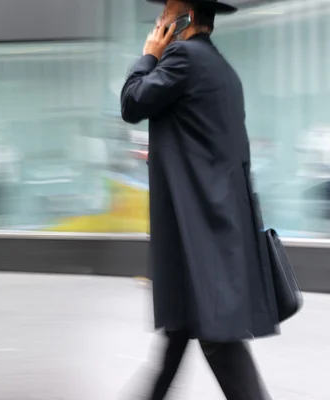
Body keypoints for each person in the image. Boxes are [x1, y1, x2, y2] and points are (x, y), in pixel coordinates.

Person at [120, 0, 280, 399]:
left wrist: (147, 57)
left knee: (217, 339)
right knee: (180, 332)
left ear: (184, 20)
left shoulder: (182, 59)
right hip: (213, 224)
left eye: (165, 14)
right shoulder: (221, 68)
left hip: (200, 234)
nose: (158, 22)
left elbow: (132, 103)